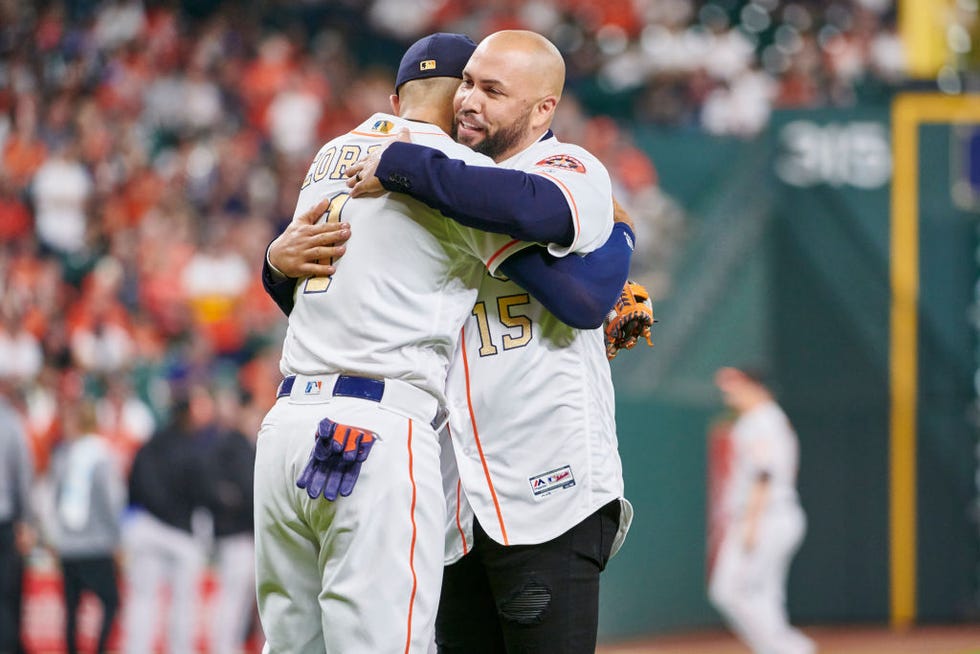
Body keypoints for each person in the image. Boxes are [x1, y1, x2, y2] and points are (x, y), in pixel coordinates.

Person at [254, 32, 634, 654]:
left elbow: (585, 298)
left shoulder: (559, 168)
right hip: (446, 488)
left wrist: (620, 237)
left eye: (491, 89)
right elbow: (333, 288)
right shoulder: (435, 178)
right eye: (467, 84)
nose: (469, 102)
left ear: (542, 108)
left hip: (545, 480)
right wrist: (274, 262)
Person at [708, 366, 816, 654]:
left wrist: (751, 524)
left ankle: (789, 649)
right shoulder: (769, 419)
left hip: (765, 517)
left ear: (755, 386)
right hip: (777, 514)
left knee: (730, 591)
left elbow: (763, 474)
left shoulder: (761, 421)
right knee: (765, 595)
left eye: (736, 385)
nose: (729, 392)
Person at [121, 390, 213, 654]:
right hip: (182, 535)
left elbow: (134, 486)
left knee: (142, 601)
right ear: (186, 415)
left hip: (147, 527)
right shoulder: (194, 449)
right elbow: (203, 493)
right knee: (183, 604)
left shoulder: (150, 445)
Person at [48, 400, 124, 654]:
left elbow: (56, 499)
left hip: (69, 544)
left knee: (72, 608)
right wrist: (117, 538)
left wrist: (56, 536)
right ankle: (100, 648)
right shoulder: (102, 455)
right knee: (110, 602)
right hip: (97, 544)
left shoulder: (63, 455)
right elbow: (111, 501)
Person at [202, 387, 258, 654]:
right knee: (233, 598)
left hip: (241, 534)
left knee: (242, 599)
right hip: (238, 534)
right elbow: (241, 491)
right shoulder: (233, 444)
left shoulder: (239, 444)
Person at [0, 383, 34, 654]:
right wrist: (26, 521)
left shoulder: (10, 420)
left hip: (6, 518)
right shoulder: (10, 421)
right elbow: (23, 475)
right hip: (5, 519)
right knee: (7, 596)